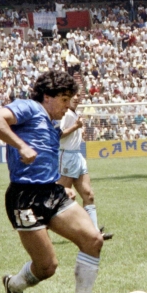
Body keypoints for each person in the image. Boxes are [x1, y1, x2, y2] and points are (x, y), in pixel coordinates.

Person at [0, 70, 106, 293]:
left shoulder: (52, 125)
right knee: (47, 267)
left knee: (93, 240)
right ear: (47, 96)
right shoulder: (28, 107)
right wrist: (21, 146)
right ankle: (14, 286)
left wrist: (61, 186)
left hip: (52, 193)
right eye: (64, 99)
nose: (67, 105)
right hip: (24, 198)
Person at [58, 93, 112, 241]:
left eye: (77, 96)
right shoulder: (65, 114)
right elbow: (58, 134)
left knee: (88, 195)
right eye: (72, 96)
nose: (76, 98)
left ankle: (94, 232)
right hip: (66, 156)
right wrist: (76, 126)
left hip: (77, 155)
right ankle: (41, 224)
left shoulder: (75, 113)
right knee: (61, 197)